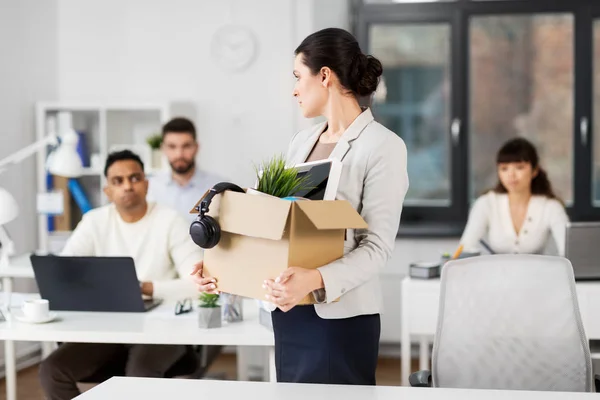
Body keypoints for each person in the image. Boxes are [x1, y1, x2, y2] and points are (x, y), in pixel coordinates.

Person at [192, 27, 409, 385]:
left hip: (340, 318)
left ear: (324, 76)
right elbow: (276, 228)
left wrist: (317, 278)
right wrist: (221, 267)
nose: (293, 89)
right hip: (290, 312)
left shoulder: (383, 146)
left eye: (298, 77)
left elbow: (377, 248)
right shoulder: (302, 142)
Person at [39, 150, 202, 400]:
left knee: (138, 374)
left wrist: (145, 287)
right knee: (52, 370)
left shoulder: (170, 221)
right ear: (107, 191)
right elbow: (64, 269)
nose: (127, 186)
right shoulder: (94, 221)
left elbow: (198, 284)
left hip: (162, 328)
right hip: (106, 327)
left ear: (146, 184)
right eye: (118, 181)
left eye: (135, 178)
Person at [459, 137, 569, 256]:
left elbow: (569, 250)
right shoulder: (486, 203)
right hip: (496, 273)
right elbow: (466, 248)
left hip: (537, 273)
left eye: (519, 167)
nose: (511, 175)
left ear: (535, 170)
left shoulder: (551, 206)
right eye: (504, 169)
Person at [147, 117, 225, 223]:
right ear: (163, 149)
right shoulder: (150, 189)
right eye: (172, 146)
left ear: (196, 147)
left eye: (186, 146)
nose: (179, 154)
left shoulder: (219, 189)